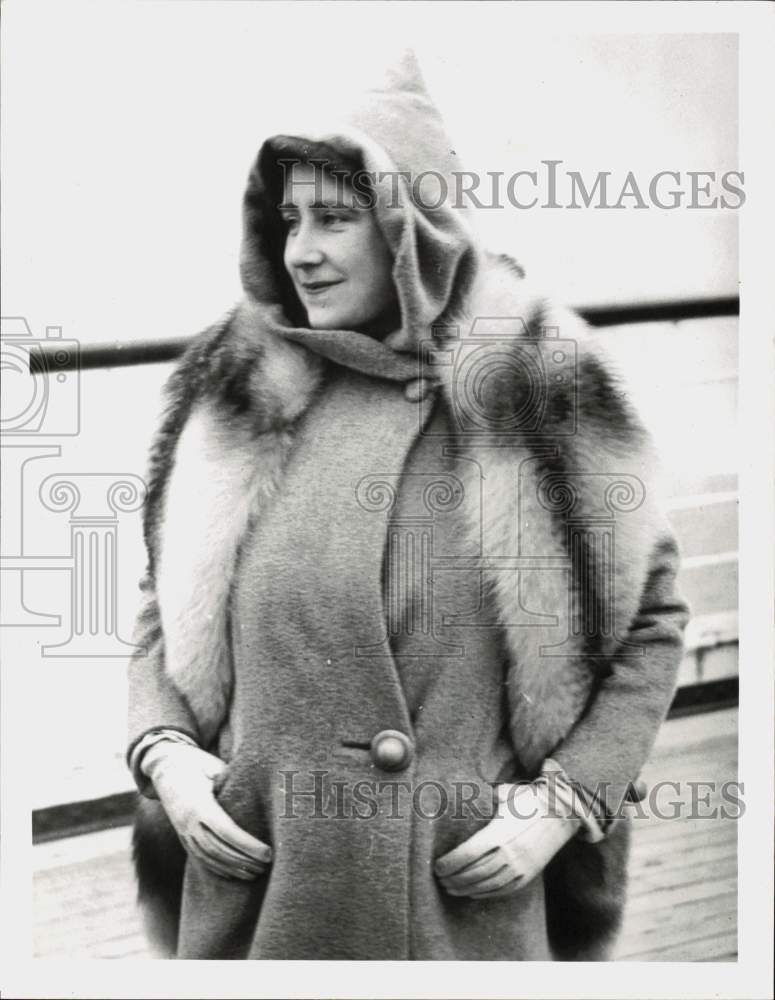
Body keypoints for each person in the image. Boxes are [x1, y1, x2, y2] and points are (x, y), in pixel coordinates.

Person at [126, 51, 690, 961]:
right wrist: (166, 759)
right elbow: (163, 605)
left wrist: (563, 804)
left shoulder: (536, 384)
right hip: (258, 891)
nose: (299, 250)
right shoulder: (230, 389)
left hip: (459, 897)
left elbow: (651, 623)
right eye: (288, 219)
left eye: (335, 219)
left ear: (412, 226)